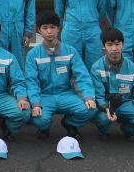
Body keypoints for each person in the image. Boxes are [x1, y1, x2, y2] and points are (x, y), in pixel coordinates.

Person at [25, 11, 96, 140]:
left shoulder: (70, 51)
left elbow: (82, 77)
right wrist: (35, 103)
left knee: (90, 110)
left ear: (59, 28)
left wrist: (88, 97)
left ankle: (69, 123)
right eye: (45, 28)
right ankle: (44, 127)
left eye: (52, 27)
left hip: (66, 94)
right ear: (39, 30)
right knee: (39, 120)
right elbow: (31, 82)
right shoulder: (33, 54)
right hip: (44, 96)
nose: (49, 31)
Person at [90, 27, 134, 141]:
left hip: (125, 104)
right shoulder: (96, 68)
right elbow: (98, 95)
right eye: (109, 44)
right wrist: (106, 108)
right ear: (104, 47)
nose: (114, 48)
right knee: (103, 119)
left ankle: (128, 129)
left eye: (117, 44)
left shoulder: (133, 69)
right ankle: (103, 130)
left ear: (123, 45)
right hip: (106, 106)